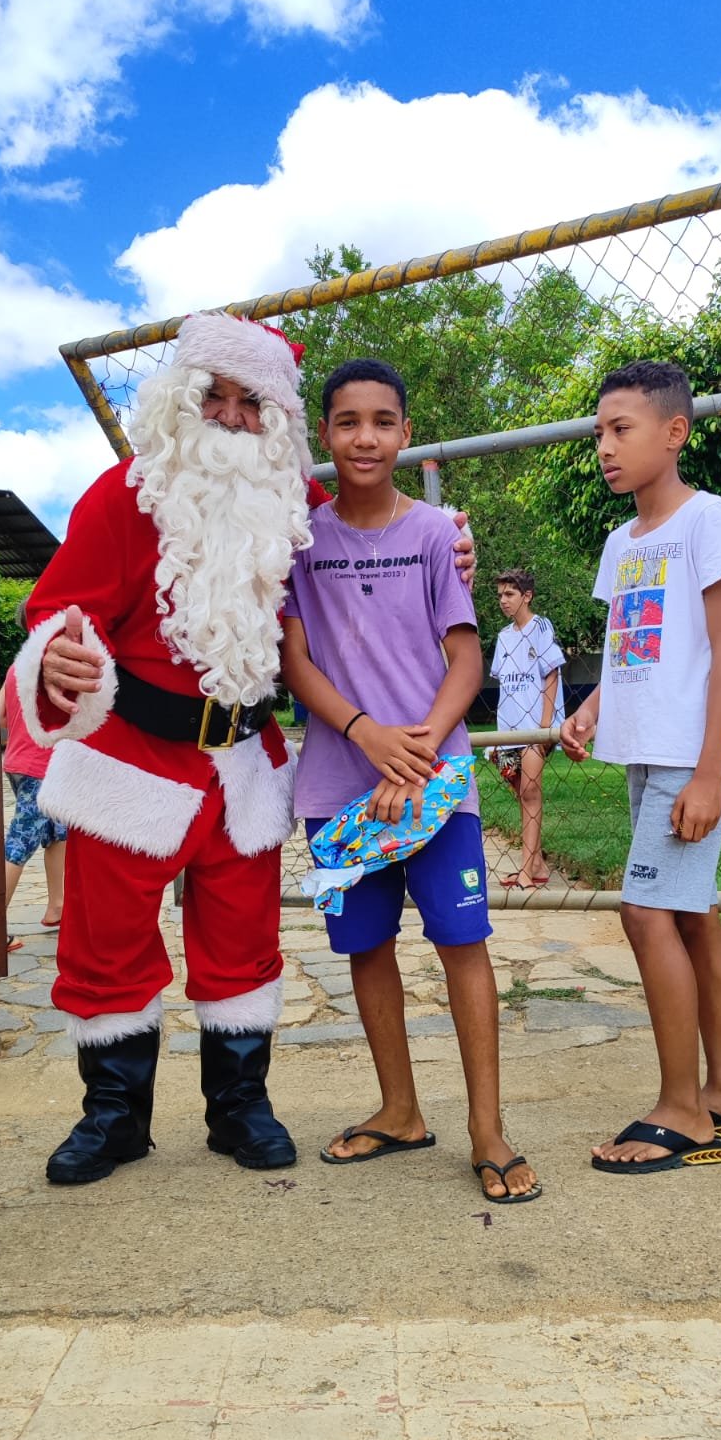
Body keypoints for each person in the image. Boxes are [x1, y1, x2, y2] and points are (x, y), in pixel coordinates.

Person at [15, 313, 475, 1187]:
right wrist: (60, 653)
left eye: (250, 402)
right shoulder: (121, 496)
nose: (230, 417)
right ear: (180, 401)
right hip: (131, 759)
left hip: (243, 762)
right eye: (214, 397)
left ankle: (239, 1107)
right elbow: (55, 609)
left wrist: (452, 542)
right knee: (106, 943)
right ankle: (112, 1117)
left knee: (243, 942)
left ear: (278, 419)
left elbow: (376, 532)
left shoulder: (294, 504)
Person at [281, 357, 541, 1204]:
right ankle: (400, 1110)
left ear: (405, 433)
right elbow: (296, 661)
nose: (366, 438)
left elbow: (464, 657)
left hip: (436, 786)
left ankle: (488, 1130)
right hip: (339, 788)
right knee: (367, 948)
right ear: (324, 433)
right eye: (348, 421)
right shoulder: (299, 541)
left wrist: (419, 753)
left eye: (383, 421)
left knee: (463, 943)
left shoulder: (434, 534)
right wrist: (365, 733)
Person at [559, 359, 721, 1175]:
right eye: (599, 432)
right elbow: (631, 646)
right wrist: (591, 709)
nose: (605, 447)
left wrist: (708, 774)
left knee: (644, 914)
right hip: (646, 747)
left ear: (674, 433)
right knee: (691, 914)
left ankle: (684, 1111)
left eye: (621, 429)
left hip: (690, 753)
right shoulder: (622, 541)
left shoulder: (707, 518)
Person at [490, 568, 566, 890]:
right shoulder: (503, 637)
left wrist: (545, 727)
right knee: (521, 795)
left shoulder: (541, 627)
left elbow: (552, 674)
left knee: (531, 794)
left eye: (509, 594)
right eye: (500, 595)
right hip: (508, 732)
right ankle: (537, 863)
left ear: (527, 596)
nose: (503, 601)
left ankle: (525, 872)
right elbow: (504, 684)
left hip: (534, 729)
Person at [0, 653, 66, 954]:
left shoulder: (17, 666)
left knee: (57, 831)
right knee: (21, 842)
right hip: (41, 766)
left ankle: (57, 906)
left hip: (18, 760)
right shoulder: (58, 664)